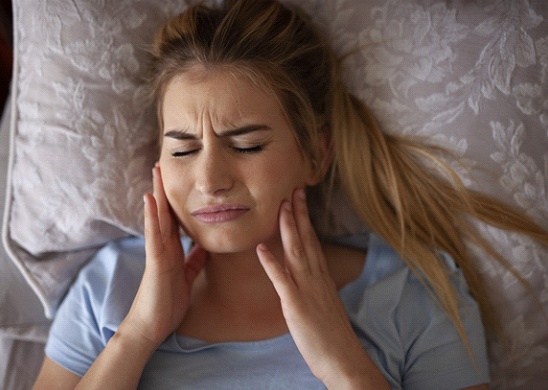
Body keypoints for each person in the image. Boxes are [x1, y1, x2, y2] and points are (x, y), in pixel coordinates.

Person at [33, 0, 547, 388]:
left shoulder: (412, 295)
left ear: (316, 155)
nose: (211, 179)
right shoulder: (109, 287)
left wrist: (340, 360)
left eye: (249, 145)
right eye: (184, 150)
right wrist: (138, 334)